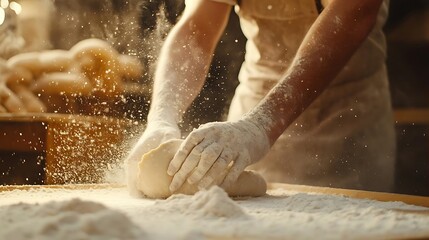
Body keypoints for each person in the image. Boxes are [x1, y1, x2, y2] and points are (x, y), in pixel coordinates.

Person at [126, 0, 396, 196]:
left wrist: (261, 125)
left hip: (344, 123)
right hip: (249, 117)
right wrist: (162, 116)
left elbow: (353, 14)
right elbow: (198, 25)